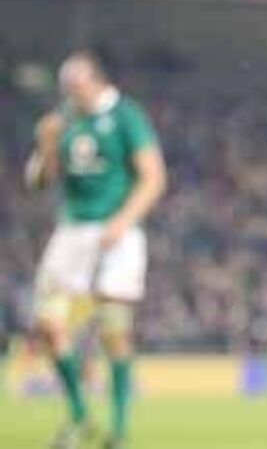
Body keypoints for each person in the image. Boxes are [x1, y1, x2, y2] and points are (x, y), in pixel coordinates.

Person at [25, 52, 167, 449]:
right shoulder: (63, 120)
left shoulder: (126, 116)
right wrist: (46, 146)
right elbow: (37, 183)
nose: (71, 93)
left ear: (96, 81)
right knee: (49, 323)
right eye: (66, 87)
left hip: (118, 232)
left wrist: (124, 220)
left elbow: (154, 178)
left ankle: (118, 431)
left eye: (77, 85)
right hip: (72, 231)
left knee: (114, 333)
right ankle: (79, 415)